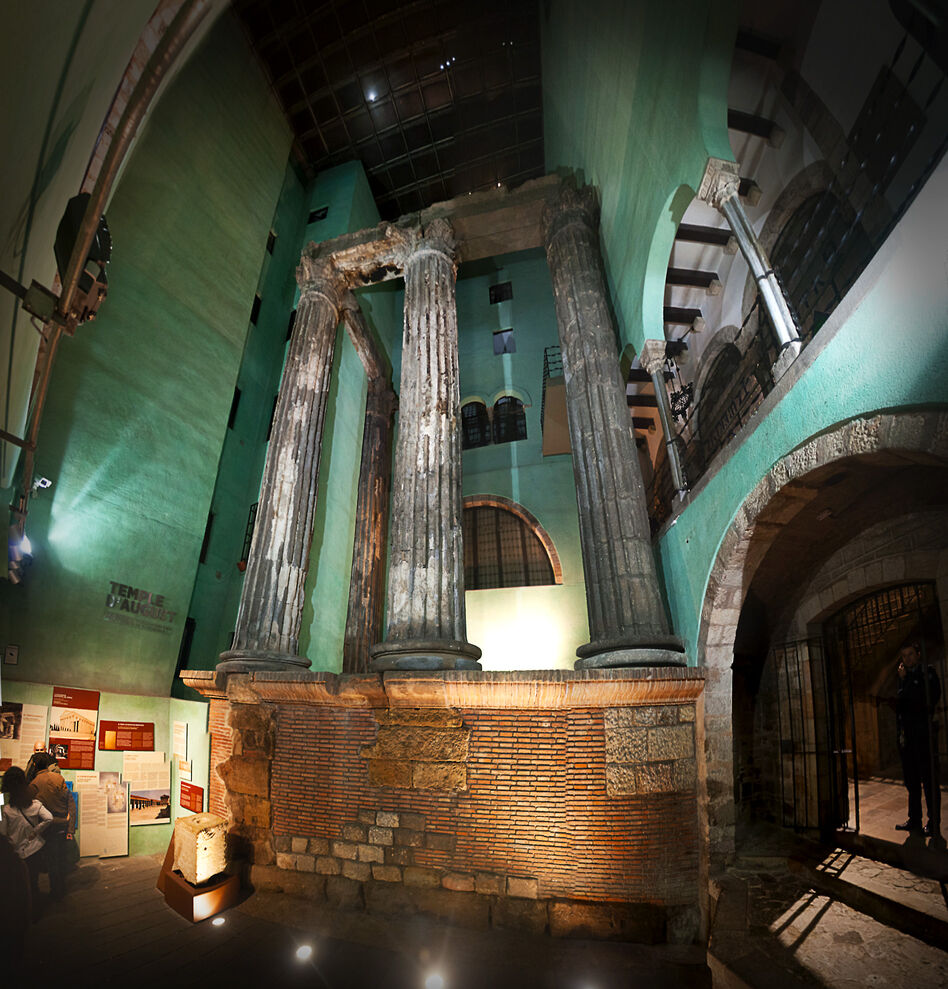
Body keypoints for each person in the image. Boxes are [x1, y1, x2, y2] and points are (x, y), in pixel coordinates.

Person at [894, 642, 942, 837]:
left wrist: (906, 681)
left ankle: (934, 822)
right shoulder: (903, 678)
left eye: (911, 654)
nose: (908, 659)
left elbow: (920, 700)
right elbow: (901, 705)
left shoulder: (927, 674)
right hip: (908, 736)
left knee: (929, 780)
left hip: (924, 735)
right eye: (904, 656)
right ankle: (914, 819)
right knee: (911, 781)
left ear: (918, 654)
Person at [0, 766, 58, 916]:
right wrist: (35, 831)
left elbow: (3, 833)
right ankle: (34, 912)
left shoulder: (6, 809)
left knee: (16, 885)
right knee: (33, 882)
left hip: (15, 852)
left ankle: (22, 913)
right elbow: (49, 818)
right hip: (34, 849)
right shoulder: (34, 805)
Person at [30, 760, 76, 898]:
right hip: (62, 827)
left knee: (51, 862)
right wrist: (69, 827)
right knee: (60, 860)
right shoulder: (58, 778)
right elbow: (70, 804)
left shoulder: (33, 784)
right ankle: (60, 890)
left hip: (46, 829)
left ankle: (52, 892)